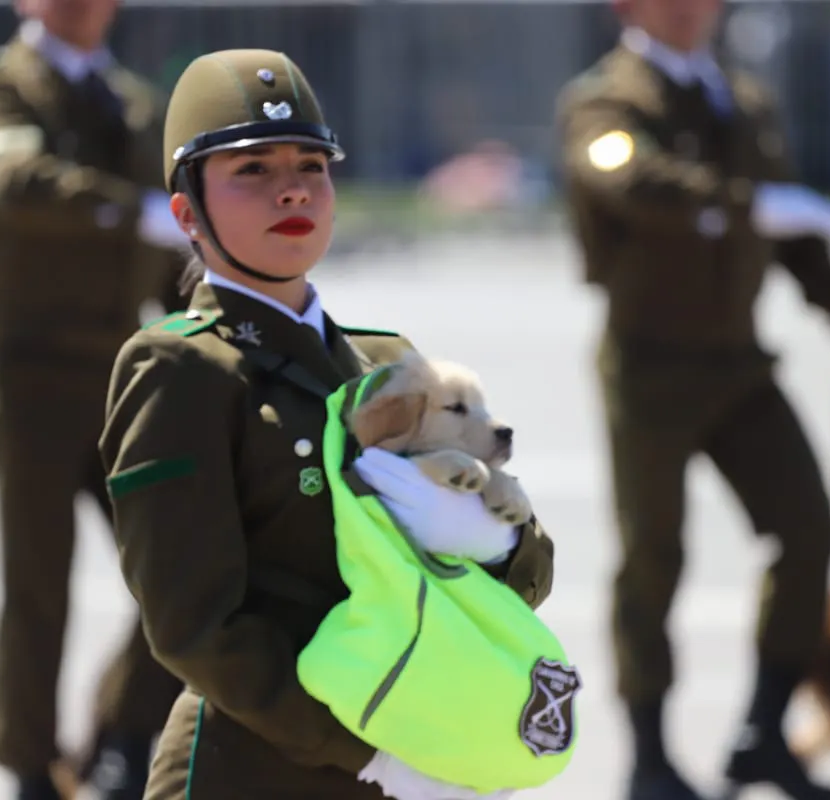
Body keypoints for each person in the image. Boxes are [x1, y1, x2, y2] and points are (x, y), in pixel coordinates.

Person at [97, 48, 557, 800]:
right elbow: (194, 629)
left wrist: (501, 538)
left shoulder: (391, 363)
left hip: (414, 758)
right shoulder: (178, 370)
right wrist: (364, 752)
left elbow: (510, 585)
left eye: (311, 167)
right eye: (252, 170)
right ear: (187, 212)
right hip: (254, 773)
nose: (291, 192)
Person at [554, 2, 830, 799]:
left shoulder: (743, 101)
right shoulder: (606, 103)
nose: (688, 9)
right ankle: (648, 756)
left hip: (739, 367)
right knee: (654, 557)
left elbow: (792, 230)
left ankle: (763, 733)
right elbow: (628, 178)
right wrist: (742, 205)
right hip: (648, 367)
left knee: (807, 528)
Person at [0, 1, 191, 797]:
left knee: (186, 563)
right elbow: (11, 181)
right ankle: (28, 763)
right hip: (32, 371)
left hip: (123, 373)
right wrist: (127, 212)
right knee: (38, 576)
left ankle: (125, 730)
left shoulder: (138, 105)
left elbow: (176, 249)